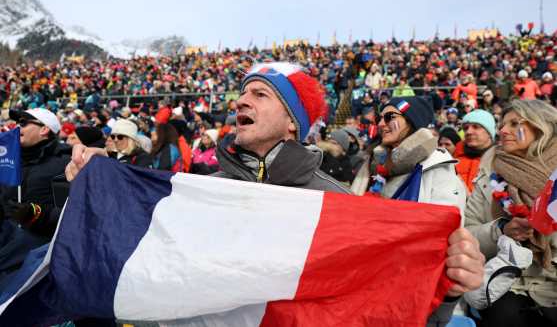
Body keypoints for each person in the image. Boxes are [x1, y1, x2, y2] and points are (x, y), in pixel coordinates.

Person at [66, 63, 484, 326]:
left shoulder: (336, 203)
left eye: (259, 93)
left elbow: (381, 307)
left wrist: (446, 287)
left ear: (292, 123)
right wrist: (91, 192)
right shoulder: (203, 189)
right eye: (242, 91)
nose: (240, 100)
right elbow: (143, 261)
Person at [465, 99, 557, 326]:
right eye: (502, 124)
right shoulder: (489, 176)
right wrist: (500, 230)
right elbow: (466, 233)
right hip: (506, 283)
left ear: (541, 128)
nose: (503, 130)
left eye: (515, 123)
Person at [0, 108, 71, 286]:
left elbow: (70, 211)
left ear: (44, 129)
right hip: (7, 243)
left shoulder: (64, 162)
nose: (17, 127)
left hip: (40, 251)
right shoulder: (8, 160)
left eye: (23, 123)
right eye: (17, 123)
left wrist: (35, 214)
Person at [453, 110, 496, 193]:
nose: (468, 132)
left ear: (489, 133)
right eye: (465, 128)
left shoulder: (500, 161)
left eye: (476, 127)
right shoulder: (453, 159)